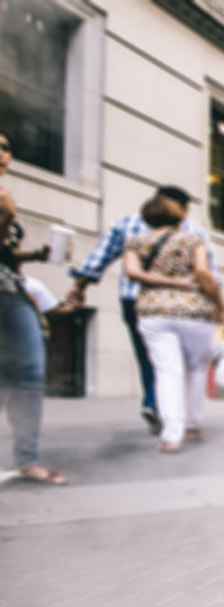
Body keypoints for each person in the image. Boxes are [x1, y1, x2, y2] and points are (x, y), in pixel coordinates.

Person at [64, 186, 212, 435]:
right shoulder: (193, 231)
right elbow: (207, 273)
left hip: (134, 301)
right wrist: (217, 305)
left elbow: (99, 259)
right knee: (179, 364)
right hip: (182, 305)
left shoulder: (126, 225)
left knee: (147, 357)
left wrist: (79, 286)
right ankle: (174, 414)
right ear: (182, 208)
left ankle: (154, 404)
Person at [123, 195, 224, 453]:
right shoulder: (192, 239)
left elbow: (131, 272)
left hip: (153, 310)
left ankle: (171, 435)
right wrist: (223, 308)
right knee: (196, 368)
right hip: (194, 311)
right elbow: (203, 274)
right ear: (179, 215)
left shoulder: (136, 241)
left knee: (166, 372)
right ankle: (193, 424)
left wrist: (163, 282)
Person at [0, 131, 67, 485]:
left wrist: (38, 254)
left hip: (10, 290)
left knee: (28, 371)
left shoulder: (5, 197)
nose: (1, 154)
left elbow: (4, 255)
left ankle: (26, 459)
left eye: (5, 147)